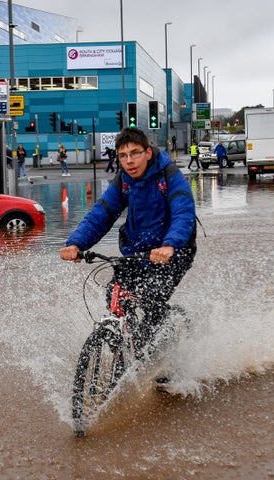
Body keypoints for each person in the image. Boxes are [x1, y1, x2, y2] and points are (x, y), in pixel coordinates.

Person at [60, 127, 197, 356]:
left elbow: (184, 213)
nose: (129, 161)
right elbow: (101, 214)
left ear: (148, 153)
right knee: (115, 292)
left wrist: (170, 245)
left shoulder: (169, 175)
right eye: (123, 156)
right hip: (137, 251)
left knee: (152, 297)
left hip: (174, 250)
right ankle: (126, 346)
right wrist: (76, 243)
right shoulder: (124, 180)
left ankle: (161, 354)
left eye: (135, 153)